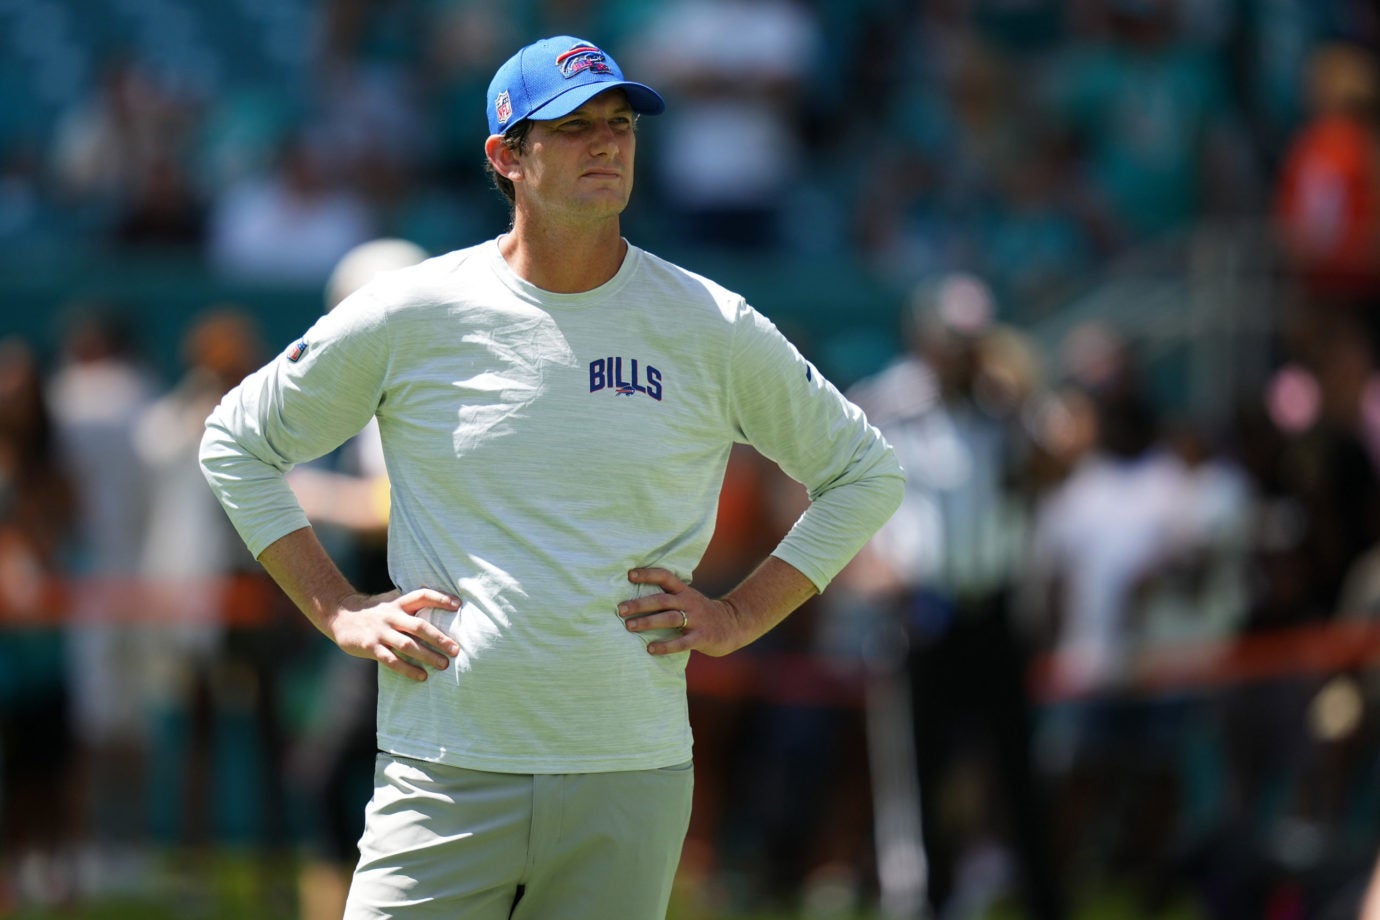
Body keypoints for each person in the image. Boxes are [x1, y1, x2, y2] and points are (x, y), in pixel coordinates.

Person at [200, 34, 903, 920]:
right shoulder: (414, 310)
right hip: (443, 768)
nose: (607, 143)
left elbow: (865, 474)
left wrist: (741, 615)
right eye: (572, 127)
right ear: (507, 156)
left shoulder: (709, 323)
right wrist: (338, 609)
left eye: (619, 124)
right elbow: (235, 441)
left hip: (630, 773)